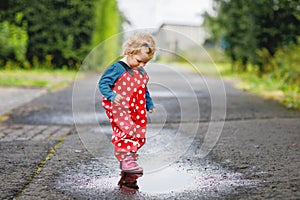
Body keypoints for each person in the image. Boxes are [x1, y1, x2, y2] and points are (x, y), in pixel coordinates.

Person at [98, 33, 156, 174]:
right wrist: (111, 95)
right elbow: (103, 83)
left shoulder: (140, 71)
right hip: (120, 107)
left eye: (145, 63)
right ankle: (125, 159)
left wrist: (149, 103)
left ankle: (130, 154)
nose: (142, 65)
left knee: (138, 130)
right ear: (129, 52)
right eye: (139, 61)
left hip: (137, 108)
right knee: (125, 129)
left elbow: (143, 88)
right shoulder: (117, 68)